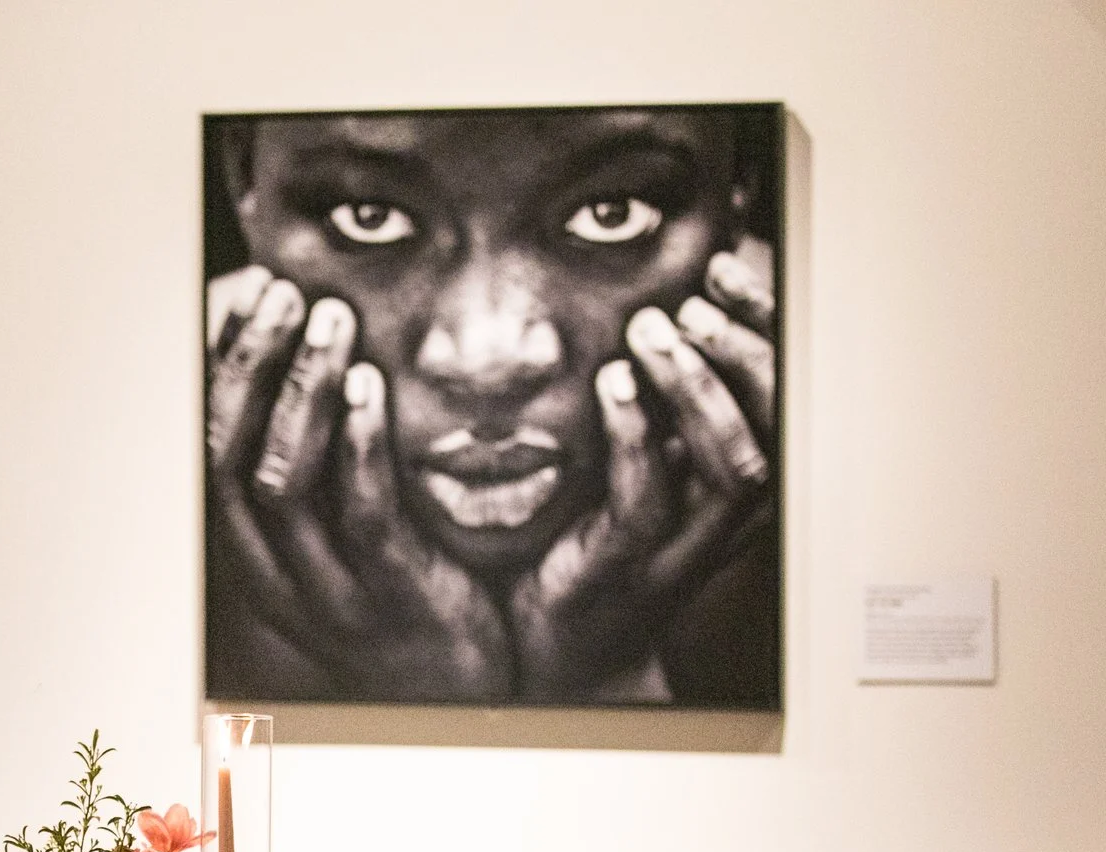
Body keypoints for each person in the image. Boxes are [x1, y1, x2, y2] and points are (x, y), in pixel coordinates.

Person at [204, 105, 782, 707]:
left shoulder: (840, 456)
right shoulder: (139, 461)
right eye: (369, 217)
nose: (488, 361)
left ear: (740, 183)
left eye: (610, 214)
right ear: (242, 178)